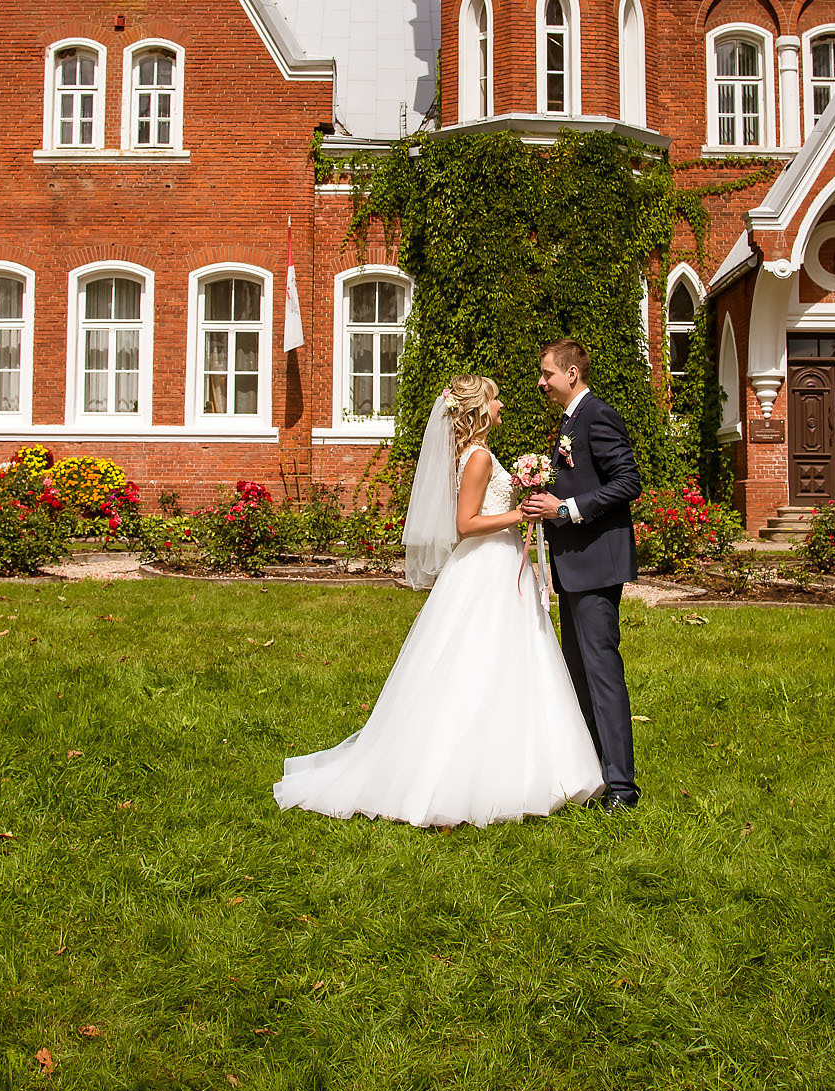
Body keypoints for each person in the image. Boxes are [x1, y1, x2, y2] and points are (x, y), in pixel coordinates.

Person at [273, 374, 604, 827]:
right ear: (477, 409)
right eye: (495, 398)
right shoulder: (479, 457)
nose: (502, 404)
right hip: (486, 565)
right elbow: (465, 524)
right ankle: (480, 775)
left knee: (505, 663)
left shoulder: (472, 453)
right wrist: (521, 512)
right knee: (482, 665)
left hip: (497, 563)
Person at [519, 339, 643, 811]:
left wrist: (566, 509)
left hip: (595, 565)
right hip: (574, 566)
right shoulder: (570, 421)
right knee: (578, 672)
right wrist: (543, 501)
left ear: (572, 373)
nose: (541, 382)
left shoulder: (597, 415)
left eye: (547, 373)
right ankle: (593, 773)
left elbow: (627, 481)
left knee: (602, 673)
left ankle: (623, 788)